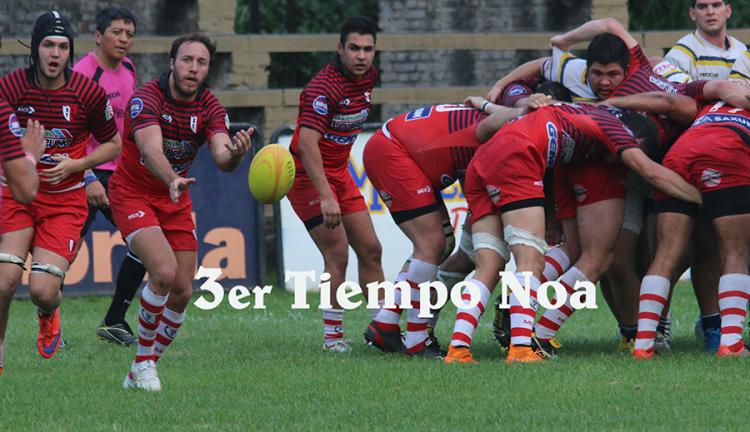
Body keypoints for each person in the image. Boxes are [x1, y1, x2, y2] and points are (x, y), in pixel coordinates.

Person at [443, 101, 702, 365]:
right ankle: (523, 347)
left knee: (488, 266)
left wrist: (485, 104)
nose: (620, 158)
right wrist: (703, 198)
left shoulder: (581, 110)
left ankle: (458, 349)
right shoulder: (617, 130)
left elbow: (513, 116)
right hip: (518, 157)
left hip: (484, 160)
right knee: (533, 262)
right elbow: (651, 172)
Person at [110, 34, 253, 391]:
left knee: (182, 292)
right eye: (187, 60)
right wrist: (172, 177)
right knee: (163, 272)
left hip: (174, 199)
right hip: (133, 194)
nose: (193, 68)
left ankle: (140, 368)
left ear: (208, 69)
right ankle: (145, 364)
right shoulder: (146, 98)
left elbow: (222, 156)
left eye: (201, 63)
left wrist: (236, 154)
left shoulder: (210, 106)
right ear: (172, 62)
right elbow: (149, 149)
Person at [361, 100, 538, 356]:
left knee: (443, 244)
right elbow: (486, 134)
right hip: (393, 150)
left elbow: (476, 188)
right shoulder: (507, 130)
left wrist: (488, 104)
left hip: (403, 150)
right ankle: (416, 339)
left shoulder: (505, 125)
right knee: (431, 245)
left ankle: (386, 322)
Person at [0, 10, 121, 373]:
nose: (55, 54)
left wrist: (78, 165)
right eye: (48, 45)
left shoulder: (87, 92)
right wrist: (22, 157)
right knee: (4, 281)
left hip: (64, 201)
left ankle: (48, 312)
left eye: (63, 47)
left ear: (71, 51)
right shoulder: (11, 87)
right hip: (16, 196)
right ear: (35, 48)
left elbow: (113, 144)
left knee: (42, 289)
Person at [603, 90, 750, 358]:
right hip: (728, 149)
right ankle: (731, 343)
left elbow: (667, 100)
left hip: (681, 152)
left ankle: (644, 344)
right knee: (735, 253)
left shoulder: (714, 100)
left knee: (665, 255)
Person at [285, 16, 383, 353]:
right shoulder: (322, 89)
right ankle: (332, 338)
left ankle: (382, 329)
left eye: (368, 49)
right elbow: (307, 144)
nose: (361, 56)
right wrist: (326, 196)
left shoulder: (369, 76)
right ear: (340, 48)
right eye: (354, 48)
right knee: (337, 254)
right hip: (307, 176)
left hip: (339, 172)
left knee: (371, 249)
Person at [72, 6, 144, 347]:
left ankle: (115, 320)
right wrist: (87, 177)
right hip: (83, 172)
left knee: (144, 243)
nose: (124, 39)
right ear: (98, 36)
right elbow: (69, 132)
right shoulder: (82, 74)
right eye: (117, 32)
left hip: (122, 175)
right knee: (63, 254)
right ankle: (50, 330)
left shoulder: (128, 68)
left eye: (130, 34)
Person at [664, 1, 744, 82]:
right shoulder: (678, 57)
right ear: (693, 14)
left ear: (727, 11)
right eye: (702, 7)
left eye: (716, 5)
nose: (710, 12)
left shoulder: (742, 51)